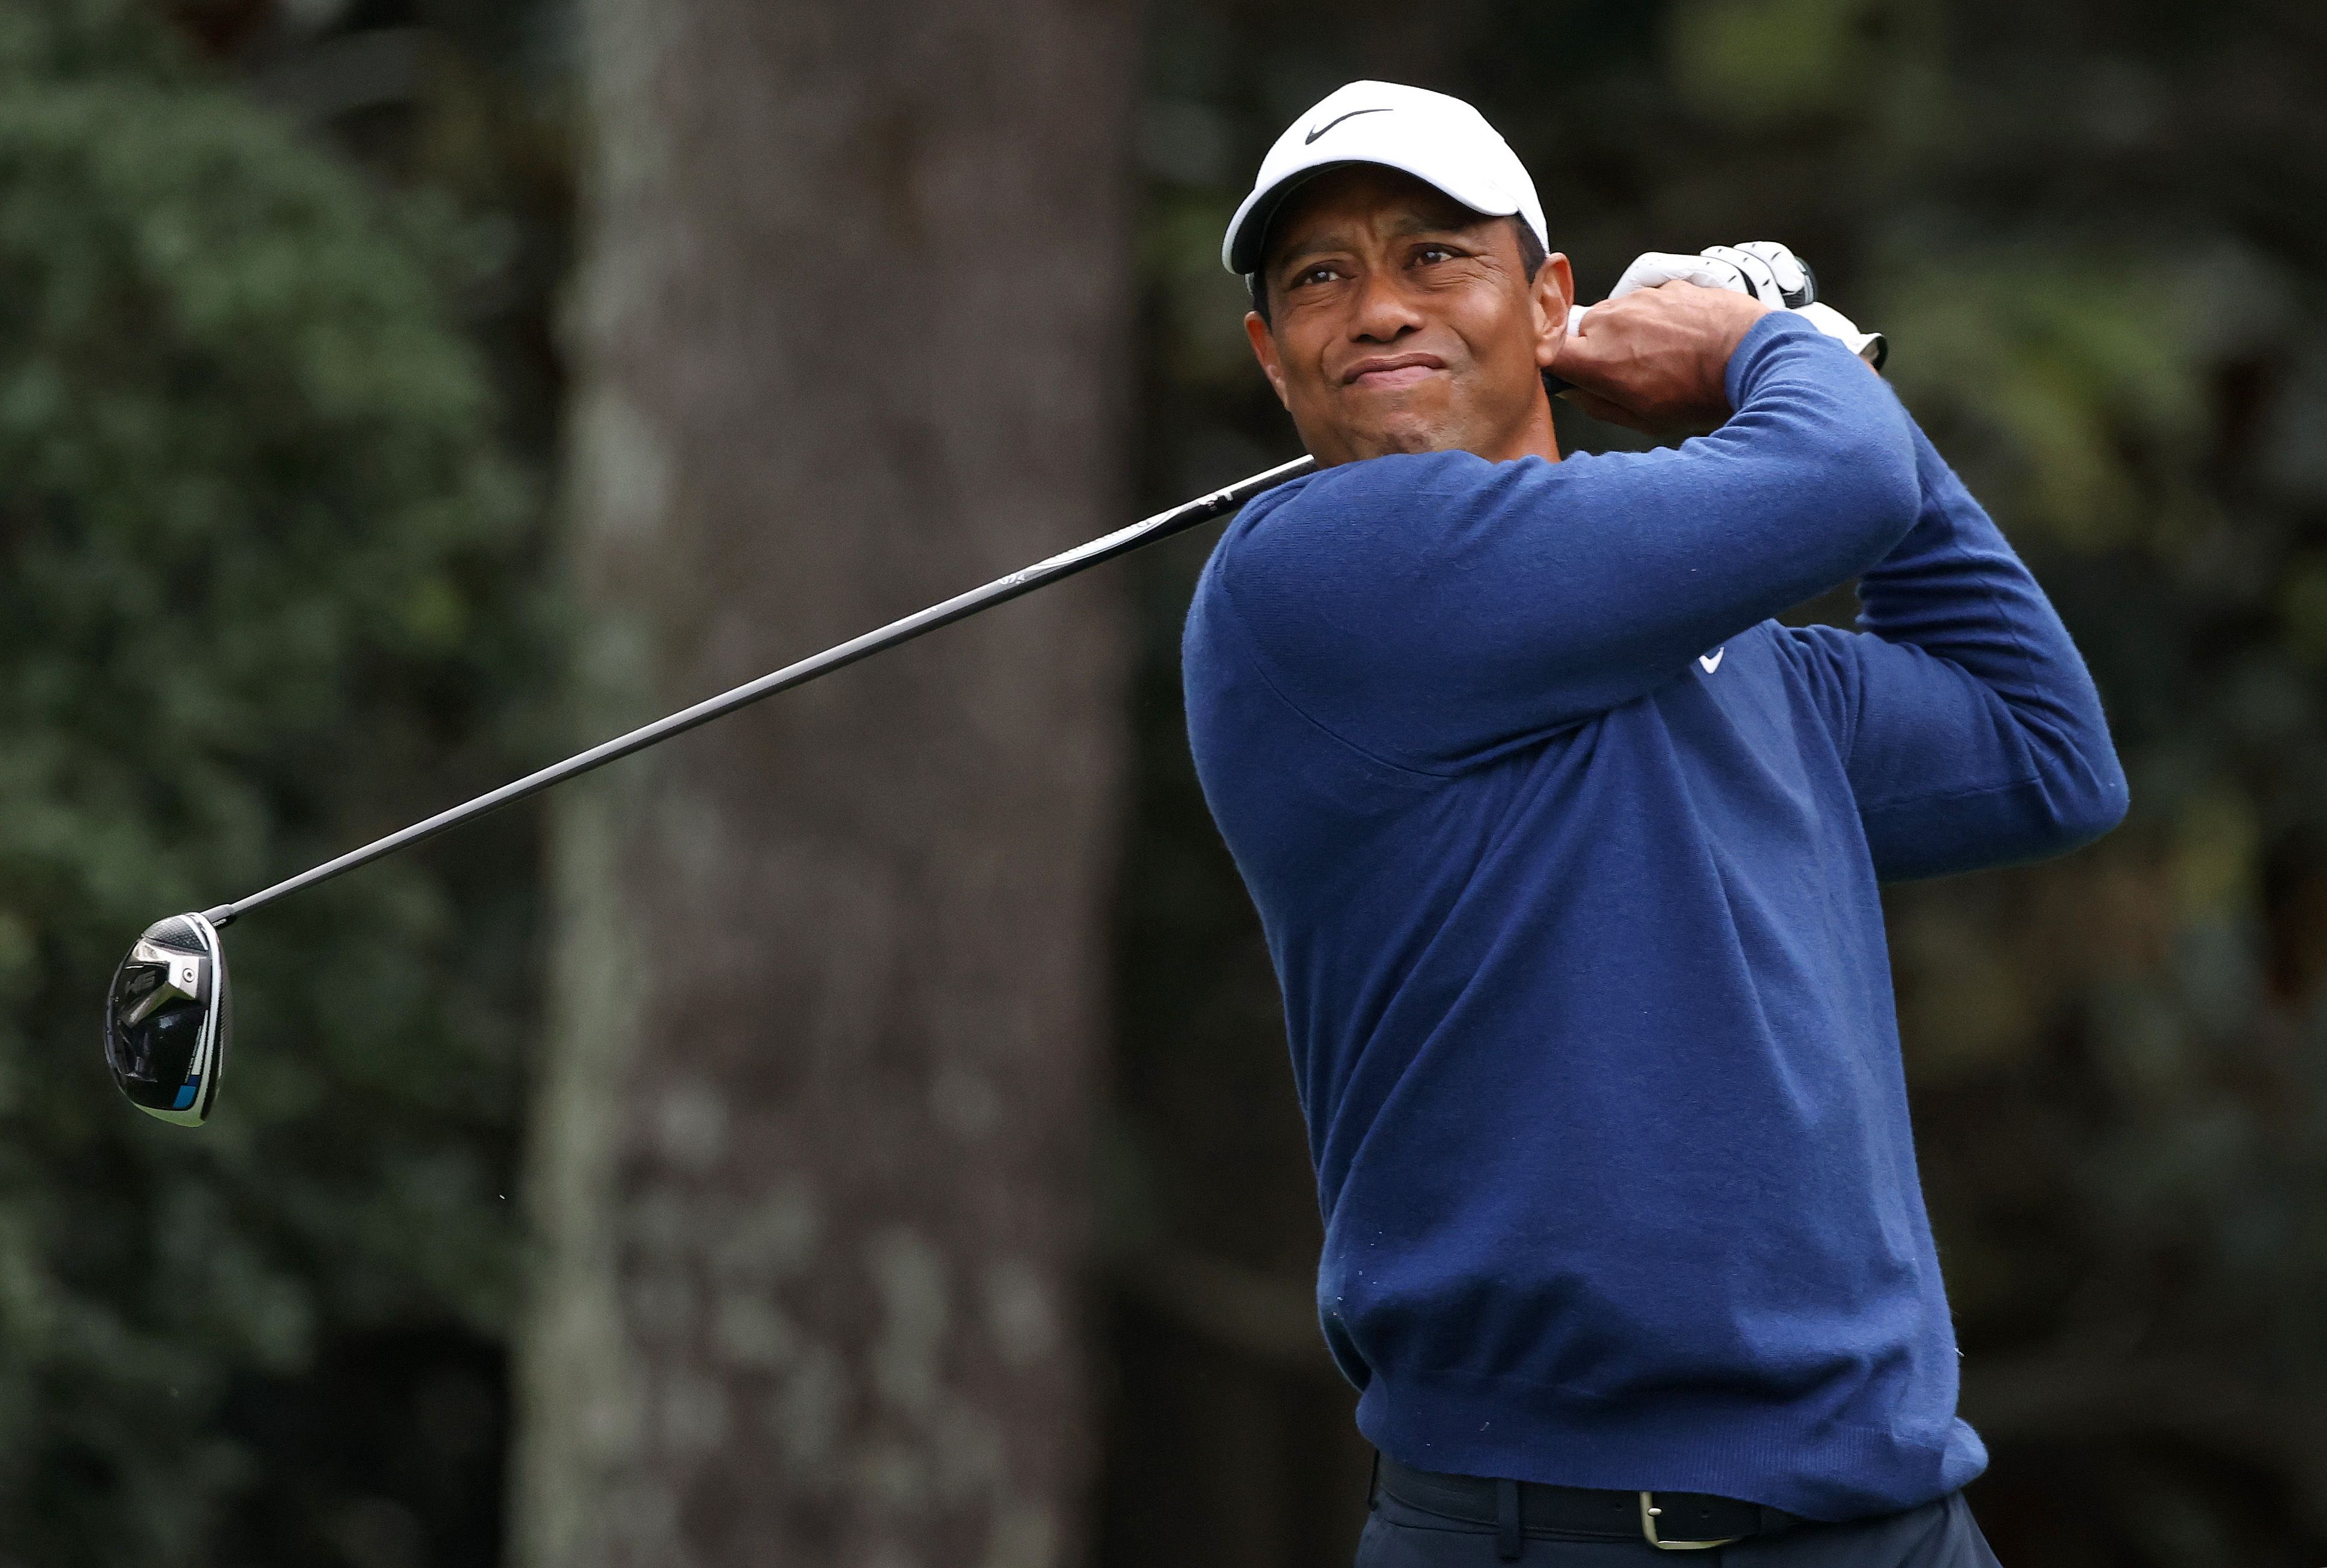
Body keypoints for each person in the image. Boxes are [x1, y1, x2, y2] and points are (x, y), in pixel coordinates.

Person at [1181, 80, 2128, 1565]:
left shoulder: (1747, 659)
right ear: (1271, 355)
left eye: (1435, 256)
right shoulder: (1309, 580)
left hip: (1894, 1512)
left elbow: (2044, 750)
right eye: (1319, 277)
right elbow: (1839, 471)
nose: (1375, 308)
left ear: (1549, 303)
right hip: (1568, 1525)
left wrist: (1814, 371)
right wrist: (1770, 351)